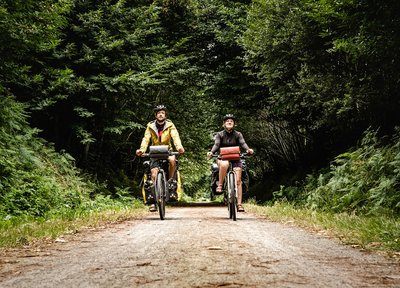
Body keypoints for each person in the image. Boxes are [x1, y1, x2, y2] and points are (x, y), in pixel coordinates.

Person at [136, 105, 185, 211]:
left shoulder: (170, 125)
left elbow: (175, 137)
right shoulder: (150, 126)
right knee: (153, 173)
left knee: (172, 160)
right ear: (156, 115)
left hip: (168, 151)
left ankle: (170, 181)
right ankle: (154, 201)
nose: (161, 114)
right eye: (158, 113)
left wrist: (179, 148)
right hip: (154, 152)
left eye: (162, 112)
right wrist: (142, 150)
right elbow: (146, 139)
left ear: (165, 115)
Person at [207, 114, 253, 212]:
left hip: (236, 159)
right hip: (222, 158)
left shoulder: (238, 134)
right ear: (224, 123)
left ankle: (239, 204)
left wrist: (248, 150)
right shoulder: (220, 134)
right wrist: (212, 152)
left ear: (234, 124)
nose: (229, 122)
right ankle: (220, 185)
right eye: (227, 121)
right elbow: (216, 144)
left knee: (238, 180)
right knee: (224, 164)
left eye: (231, 121)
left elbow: (243, 143)